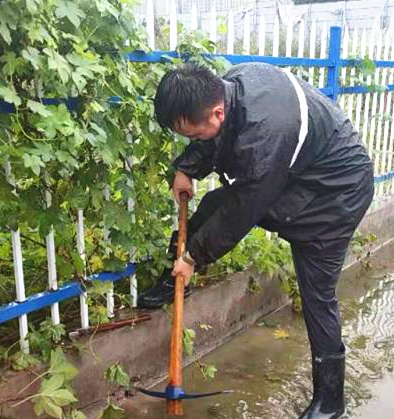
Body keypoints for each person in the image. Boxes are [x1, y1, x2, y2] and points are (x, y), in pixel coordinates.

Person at [137, 62, 374, 419]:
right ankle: (174, 280)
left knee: (317, 294)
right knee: (214, 204)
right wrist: (187, 168)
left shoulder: (267, 131)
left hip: (338, 192)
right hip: (298, 173)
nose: (194, 140)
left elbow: (243, 209)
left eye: (193, 135)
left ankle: (330, 402)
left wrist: (194, 257)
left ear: (217, 111)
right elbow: (215, 136)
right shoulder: (231, 87)